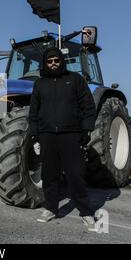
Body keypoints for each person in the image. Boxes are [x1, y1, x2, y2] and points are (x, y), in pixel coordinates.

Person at [28, 47, 98, 232]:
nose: (53, 64)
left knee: (75, 175)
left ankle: (86, 212)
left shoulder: (75, 80)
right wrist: (35, 135)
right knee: (49, 175)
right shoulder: (39, 84)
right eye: (49, 61)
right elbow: (33, 112)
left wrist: (86, 129)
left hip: (71, 134)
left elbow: (88, 106)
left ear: (62, 61)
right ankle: (51, 208)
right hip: (48, 135)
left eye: (56, 60)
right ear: (45, 63)